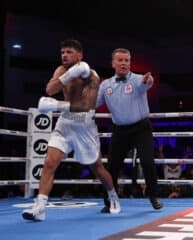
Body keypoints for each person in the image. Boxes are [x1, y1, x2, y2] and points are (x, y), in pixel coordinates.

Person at [22, 39, 120, 221]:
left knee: (97, 168)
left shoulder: (92, 76)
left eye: (68, 52)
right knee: (50, 163)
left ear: (79, 55)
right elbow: (50, 90)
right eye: (62, 52)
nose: (64, 55)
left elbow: (86, 105)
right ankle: (40, 207)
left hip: (84, 125)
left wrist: (57, 105)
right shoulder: (61, 70)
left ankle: (113, 196)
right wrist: (67, 76)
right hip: (64, 124)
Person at [96, 48, 162, 212]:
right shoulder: (105, 85)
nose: (124, 63)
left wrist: (149, 80)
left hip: (141, 128)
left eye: (126, 60)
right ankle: (109, 201)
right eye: (120, 60)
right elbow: (93, 104)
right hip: (119, 130)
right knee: (112, 166)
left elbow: (148, 82)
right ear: (113, 63)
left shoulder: (138, 80)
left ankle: (153, 195)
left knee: (147, 162)